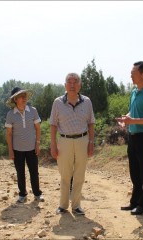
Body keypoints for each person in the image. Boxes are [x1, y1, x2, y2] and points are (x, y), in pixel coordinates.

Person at [116, 61, 143, 215]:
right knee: (134, 172)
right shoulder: (134, 92)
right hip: (133, 137)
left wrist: (133, 121)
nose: (131, 75)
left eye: (133, 72)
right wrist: (125, 119)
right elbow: (131, 112)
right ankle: (134, 202)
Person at [50, 73, 95, 215]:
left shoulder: (87, 101)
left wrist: (91, 142)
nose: (72, 84)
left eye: (75, 81)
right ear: (65, 85)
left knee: (79, 174)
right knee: (65, 174)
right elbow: (53, 124)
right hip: (64, 141)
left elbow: (91, 123)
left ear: (80, 85)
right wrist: (53, 144)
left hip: (83, 140)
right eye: (69, 81)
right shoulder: (57, 102)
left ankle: (76, 206)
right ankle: (63, 205)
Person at [5, 87, 44, 203]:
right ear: (15, 99)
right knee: (20, 172)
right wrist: (10, 150)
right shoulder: (10, 114)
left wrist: (37, 144)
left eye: (25, 96)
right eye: (21, 96)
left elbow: (38, 129)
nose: (24, 98)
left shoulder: (33, 110)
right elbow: (9, 134)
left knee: (34, 171)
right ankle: (22, 194)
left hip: (32, 148)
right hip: (17, 149)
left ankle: (37, 193)